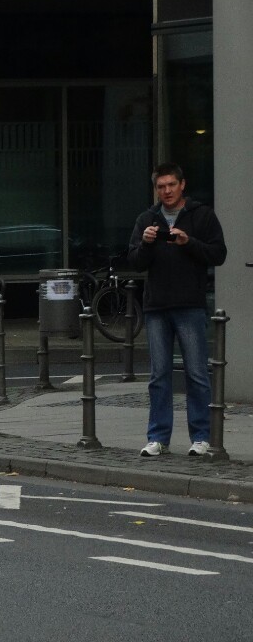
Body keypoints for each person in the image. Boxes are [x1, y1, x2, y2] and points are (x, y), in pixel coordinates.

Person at [126, 163, 227, 457]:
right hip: (156, 306)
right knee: (159, 375)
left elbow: (218, 253)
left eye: (171, 185)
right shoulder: (147, 218)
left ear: (182, 185)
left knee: (196, 373)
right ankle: (158, 437)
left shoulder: (202, 215)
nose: (167, 191)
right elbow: (134, 261)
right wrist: (145, 243)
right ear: (156, 188)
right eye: (161, 186)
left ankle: (201, 436)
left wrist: (188, 242)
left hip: (189, 304)